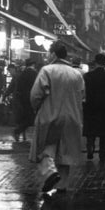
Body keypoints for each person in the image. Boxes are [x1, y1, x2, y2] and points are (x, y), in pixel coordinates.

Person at [29, 41, 85, 194]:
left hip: (50, 116)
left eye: (48, 53)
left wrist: (37, 109)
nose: (47, 56)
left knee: (45, 147)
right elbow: (82, 96)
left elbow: (36, 95)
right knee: (66, 153)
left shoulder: (47, 71)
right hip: (72, 117)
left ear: (53, 54)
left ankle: (50, 173)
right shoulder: (76, 74)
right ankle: (62, 185)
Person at [83, 53, 105, 162]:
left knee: (91, 131)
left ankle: (90, 147)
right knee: (104, 134)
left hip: (91, 108)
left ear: (95, 62)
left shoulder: (88, 76)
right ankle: (103, 154)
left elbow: (83, 92)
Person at [12, 58, 38, 141]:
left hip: (22, 99)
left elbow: (18, 87)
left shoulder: (22, 73)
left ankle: (20, 132)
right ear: (33, 64)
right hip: (31, 98)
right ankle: (18, 131)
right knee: (31, 118)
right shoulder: (34, 73)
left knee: (26, 117)